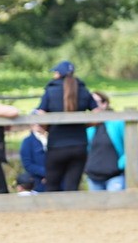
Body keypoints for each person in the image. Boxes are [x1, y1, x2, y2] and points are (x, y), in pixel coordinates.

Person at [34, 60, 98, 192]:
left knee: (52, 185)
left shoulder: (50, 90)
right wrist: (83, 125)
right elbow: (98, 114)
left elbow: (40, 114)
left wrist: (46, 128)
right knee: (72, 186)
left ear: (58, 74)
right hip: (79, 145)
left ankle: (53, 212)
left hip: (56, 145)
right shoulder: (83, 89)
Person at [84, 91, 126, 191]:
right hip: (93, 176)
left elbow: (129, 146)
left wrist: (121, 165)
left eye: (96, 102)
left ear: (105, 103)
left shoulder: (117, 123)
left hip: (115, 175)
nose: (94, 106)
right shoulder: (88, 127)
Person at [19, 123, 48, 192]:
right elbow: (28, 164)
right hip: (37, 181)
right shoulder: (28, 141)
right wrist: (46, 173)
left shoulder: (53, 139)